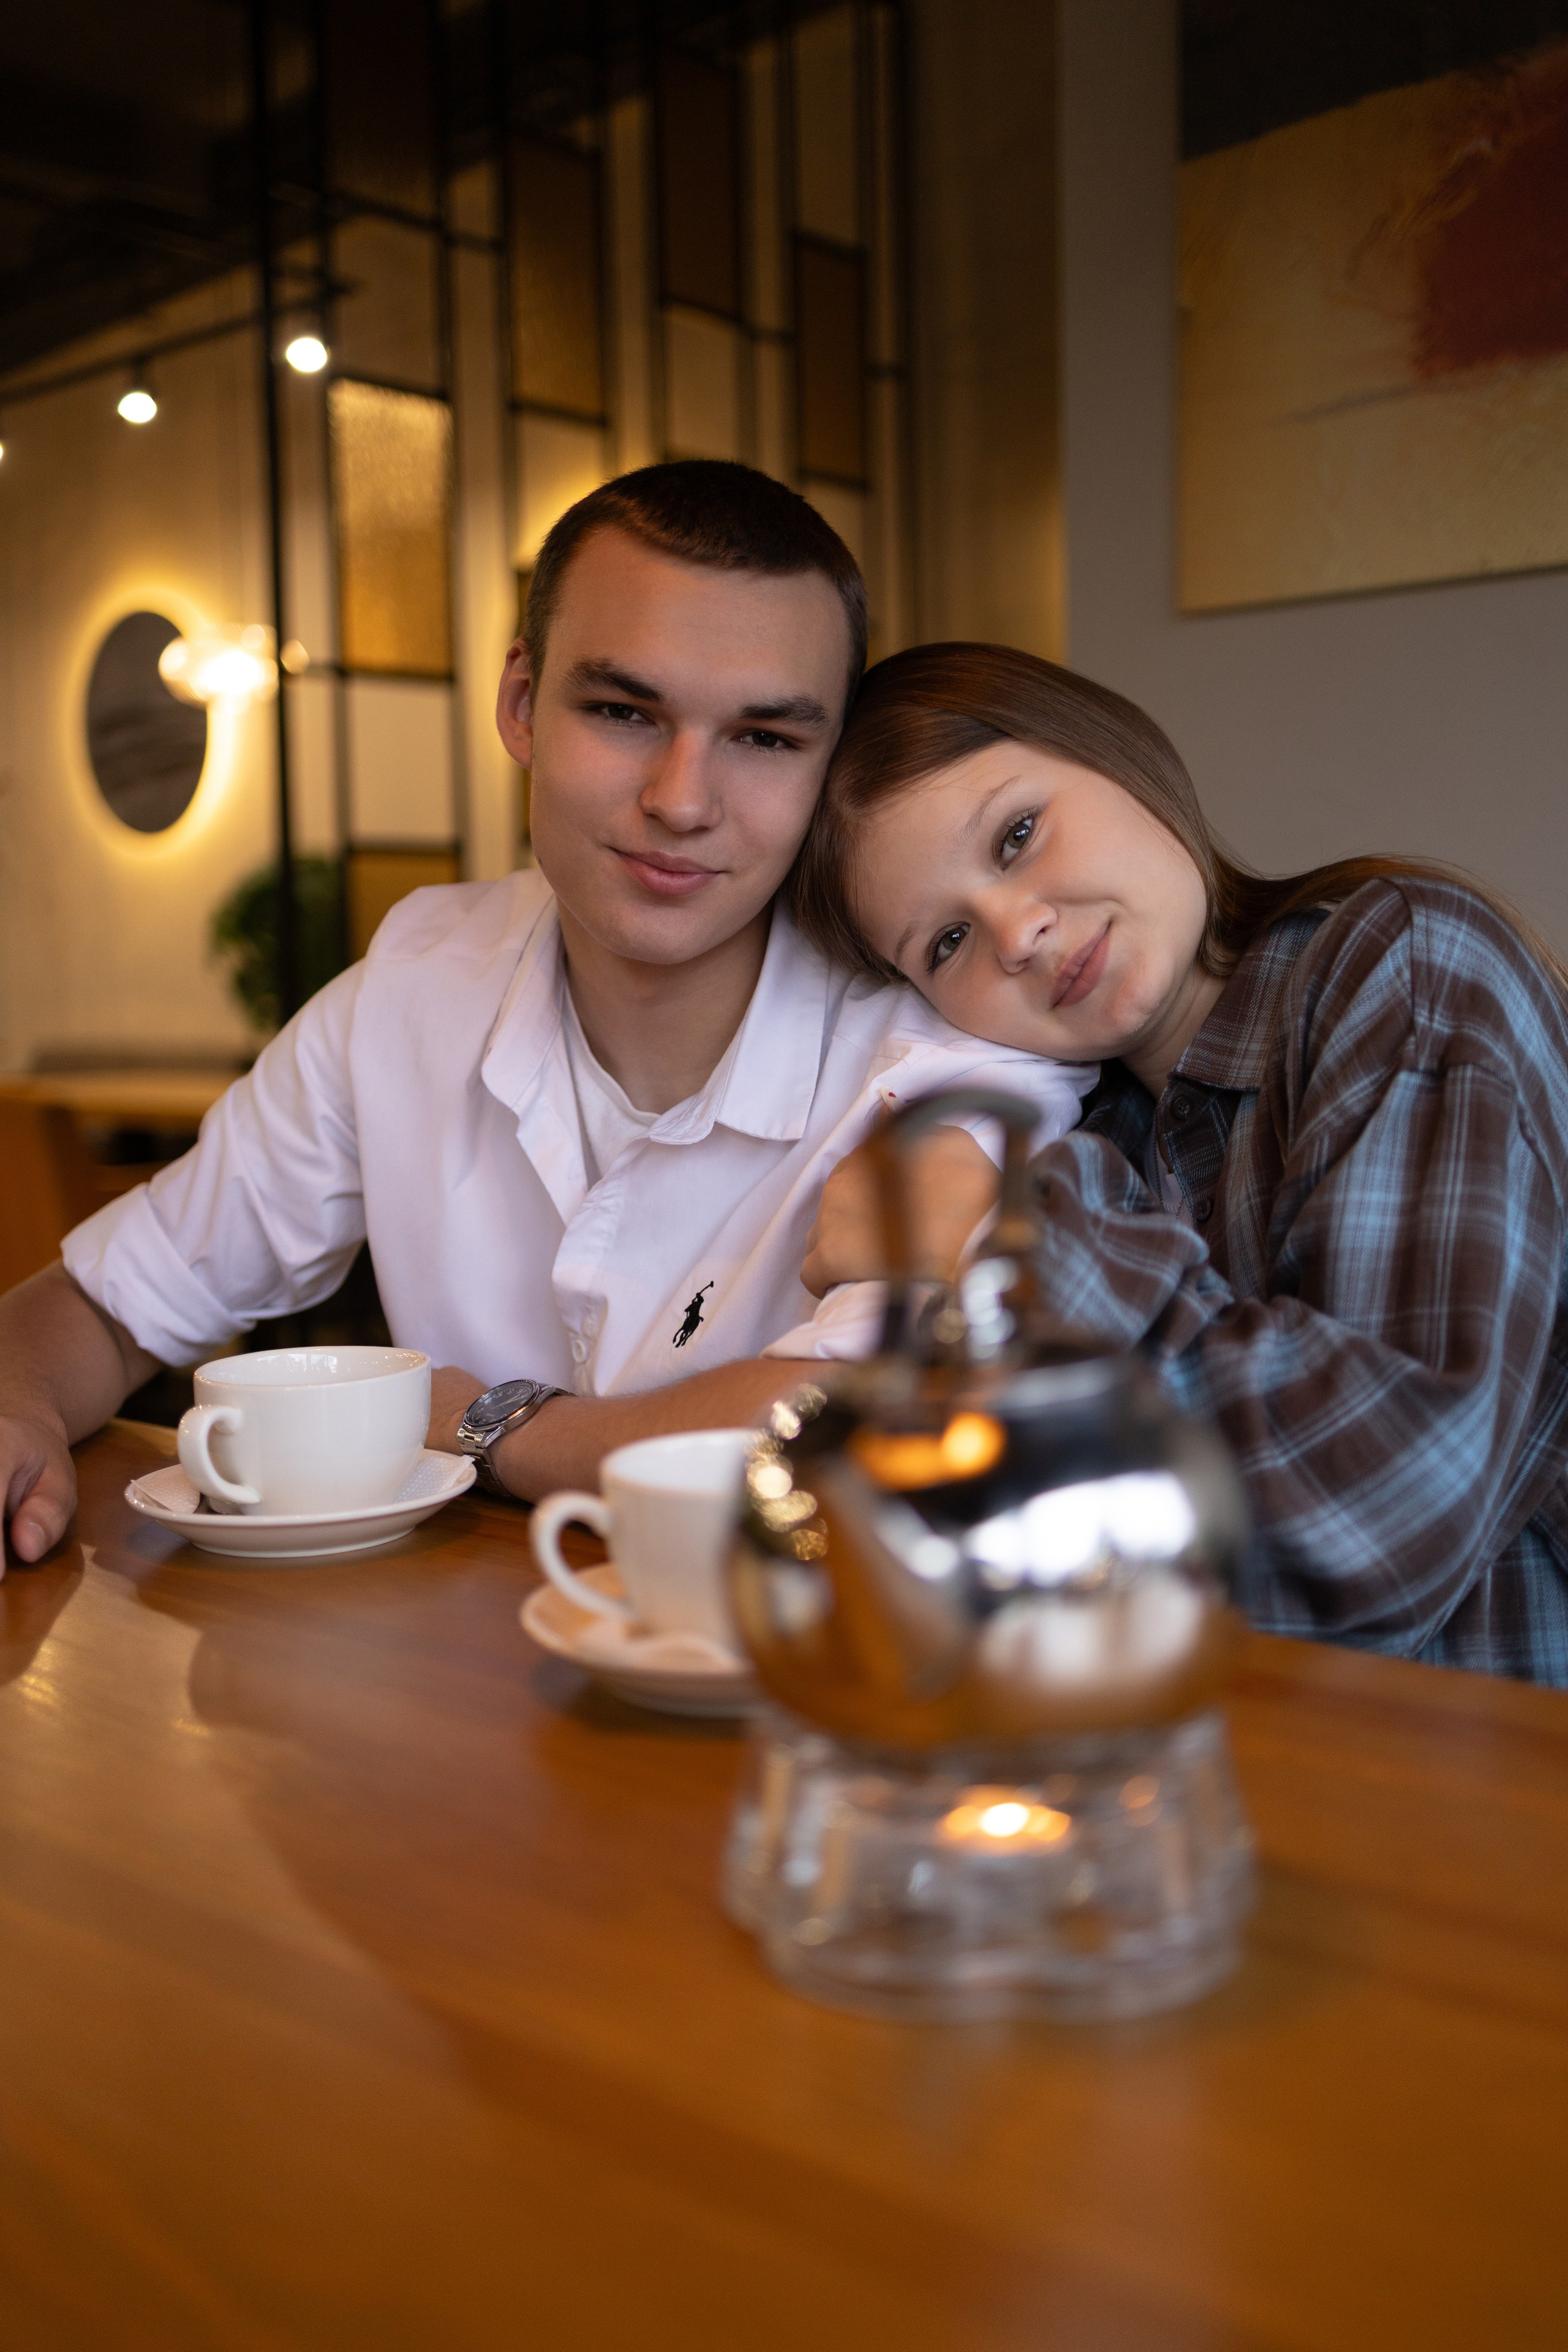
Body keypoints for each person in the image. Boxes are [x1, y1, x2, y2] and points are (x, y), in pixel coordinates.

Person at [0, 472, 1091, 1568]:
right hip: (470, 1689)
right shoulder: (414, 984)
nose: (681, 799)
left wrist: (498, 1424)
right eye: (624, 712)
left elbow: (877, 1430)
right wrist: (22, 1406)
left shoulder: (956, 1042)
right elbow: (107, 1302)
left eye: (764, 738)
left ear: (831, 768)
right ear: (521, 701)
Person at [789, 641, 1568, 1684]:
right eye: (945, 944)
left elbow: (1385, 1507)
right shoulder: (1080, 1143)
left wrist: (992, 1244)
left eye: (1018, 834)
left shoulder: (1404, 969)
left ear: (1119, 754)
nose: (1017, 934)